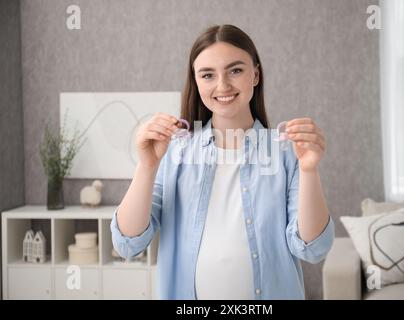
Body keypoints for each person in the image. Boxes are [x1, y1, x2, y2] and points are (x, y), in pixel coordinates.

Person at [111, 24, 334, 300]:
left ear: (256, 75)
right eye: (208, 75)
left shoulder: (286, 151)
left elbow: (312, 249)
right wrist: (146, 166)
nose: (223, 85)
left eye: (235, 70)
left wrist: (309, 169)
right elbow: (127, 243)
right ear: (196, 82)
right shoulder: (175, 152)